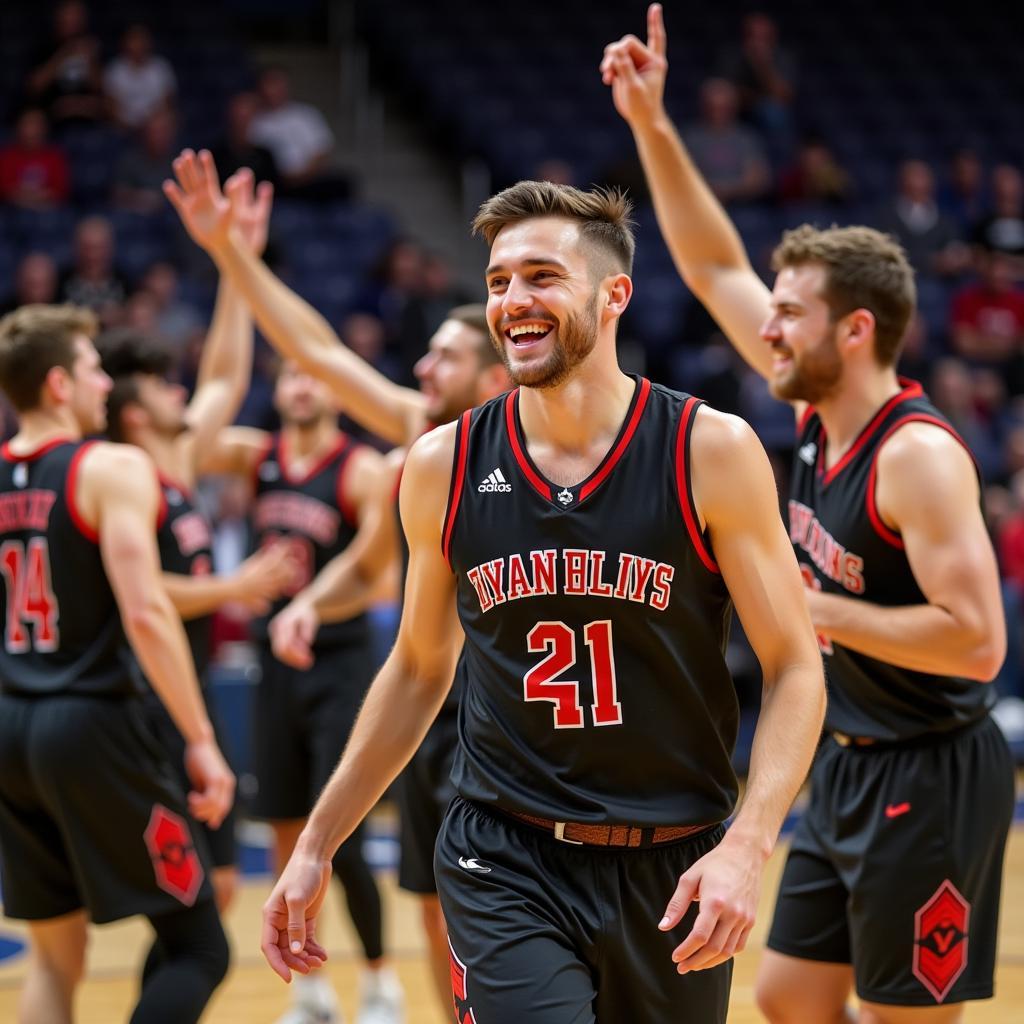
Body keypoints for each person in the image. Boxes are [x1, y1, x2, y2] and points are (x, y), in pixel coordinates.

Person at [236, 167, 826, 1018]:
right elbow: (415, 668)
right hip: (504, 853)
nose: (513, 299)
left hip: (676, 859)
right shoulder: (440, 466)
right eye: (499, 282)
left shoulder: (710, 451)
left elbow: (795, 665)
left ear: (614, 294)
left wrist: (749, 844)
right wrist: (317, 844)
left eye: (543, 277)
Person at [602, 5, 1014, 1018]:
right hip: (843, 760)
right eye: (774, 310)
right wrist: (652, 125)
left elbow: (977, 644)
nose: (767, 328)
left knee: (897, 1014)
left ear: (858, 328)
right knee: (788, 996)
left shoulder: (915, 458)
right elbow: (710, 268)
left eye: (789, 314)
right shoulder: (813, 406)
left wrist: (811, 609)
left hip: (930, 771)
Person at [162, 150, 510, 1019]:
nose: (420, 372)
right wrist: (232, 257)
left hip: (510, 696)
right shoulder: (421, 438)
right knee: (434, 902)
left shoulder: (512, 431)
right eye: (423, 359)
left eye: (441, 360)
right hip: (436, 693)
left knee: (500, 909)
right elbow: (312, 347)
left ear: (491, 377)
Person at [165, 146, 404, 1024]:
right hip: (277, 658)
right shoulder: (259, 456)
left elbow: (377, 569)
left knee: (333, 836)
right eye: (291, 374)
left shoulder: (362, 467)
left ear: (332, 388)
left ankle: (380, 979)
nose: (301, 382)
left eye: (312, 373)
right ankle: (311, 991)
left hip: (343, 656)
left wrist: (298, 595)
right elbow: (202, 419)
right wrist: (235, 265)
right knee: (279, 831)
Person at [0, 303, 234, 1024]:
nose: (107, 382)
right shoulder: (109, 467)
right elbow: (145, 611)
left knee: (53, 961)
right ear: (59, 385)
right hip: (90, 726)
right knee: (200, 949)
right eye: (94, 367)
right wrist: (200, 739)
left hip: (10, 726)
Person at [99, 168, 295, 921]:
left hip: (193, 679)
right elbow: (139, 594)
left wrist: (233, 263)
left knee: (212, 892)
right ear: (132, 411)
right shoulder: (119, 476)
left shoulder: (176, 458)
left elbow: (224, 372)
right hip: (140, 690)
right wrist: (232, 586)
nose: (179, 390)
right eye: (159, 384)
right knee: (179, 902)